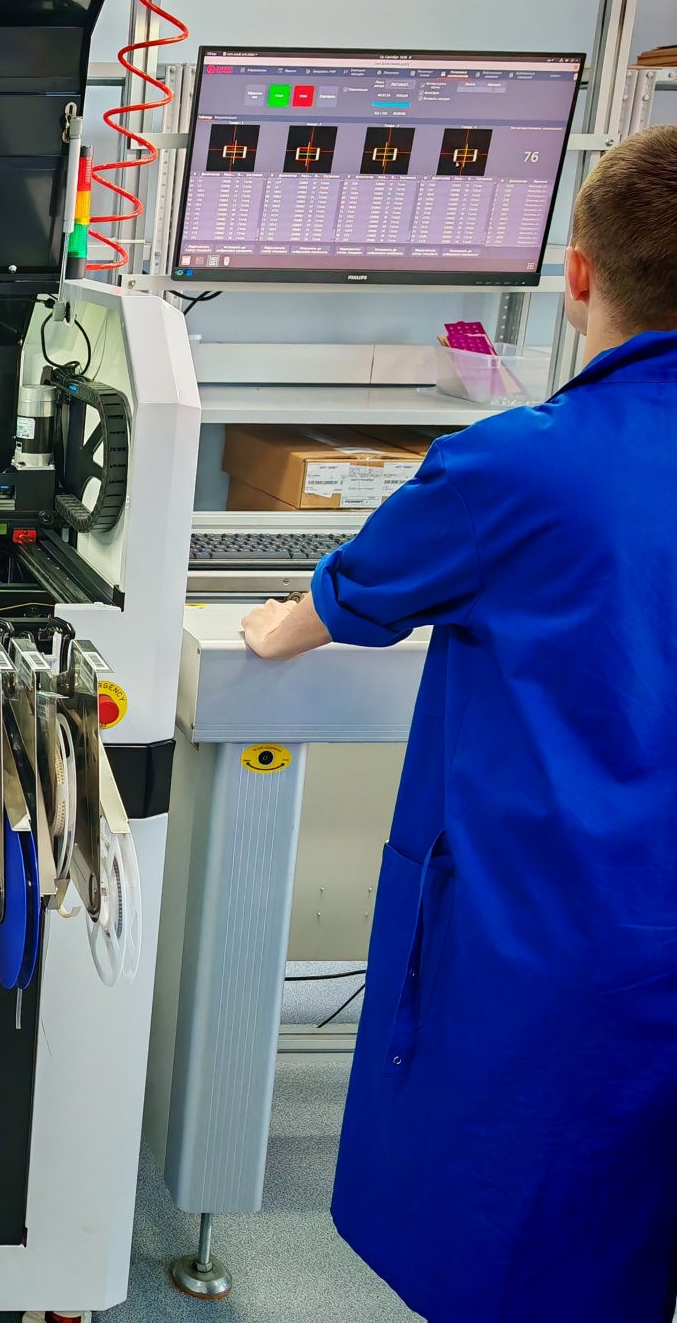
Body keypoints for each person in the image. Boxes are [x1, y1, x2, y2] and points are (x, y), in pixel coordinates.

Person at [241, 123, 677, 1322]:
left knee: (536, 1235)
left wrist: (272, 626)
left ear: (578, 272)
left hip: (567, 936)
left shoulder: (522, 465)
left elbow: (338, 603)